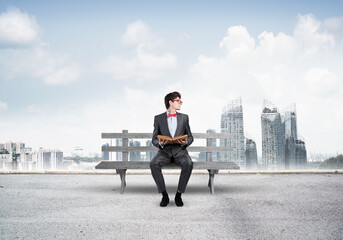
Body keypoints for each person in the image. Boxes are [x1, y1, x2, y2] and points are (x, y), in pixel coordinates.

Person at [150, 91, 193, 207]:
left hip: (180, 151)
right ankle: (164, 195)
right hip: (165, 151)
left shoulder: (184, 118)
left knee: (188, 163)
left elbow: (190, 137)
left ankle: (179, 194)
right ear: (171, 102)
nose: (181, 103)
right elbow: (153, 138)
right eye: (179, 101)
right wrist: (160, 143)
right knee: (153, 163)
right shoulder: (158, 118)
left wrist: (185, 142)